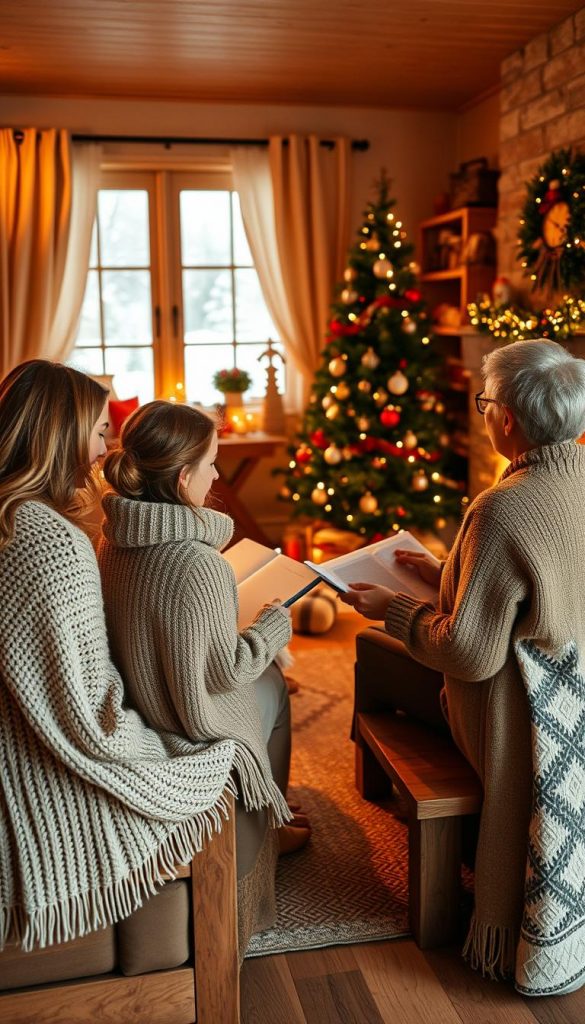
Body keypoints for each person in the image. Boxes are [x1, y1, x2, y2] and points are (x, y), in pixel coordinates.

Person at [342, 339, 585, 997]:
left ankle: (381, 786)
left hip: (511, 719)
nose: (482, 413)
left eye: (484, 403)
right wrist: (446, 571)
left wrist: (392, 608)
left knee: (381, 658)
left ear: (505, 420)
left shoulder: (501, 505)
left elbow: (468, 654)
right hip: (575, 697)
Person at [0, 360, 244, 954]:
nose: (107, 448)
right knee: (216, 748)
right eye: (99, 430)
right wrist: (160, 741)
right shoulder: (48, 540)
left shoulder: (18, 519)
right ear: (60, 434)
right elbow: (88, 709)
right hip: (29, 756)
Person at [97, 400, 310, 952]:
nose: (217, 475)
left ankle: (272, 818)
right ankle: (270, 817)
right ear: (185, 474)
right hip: (189, 715)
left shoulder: (111, 536)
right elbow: (229, 669)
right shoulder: (199, 563)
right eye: (213, 463)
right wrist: (272, 626)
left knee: (267, 681)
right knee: (273, 686)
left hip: (143, 698)